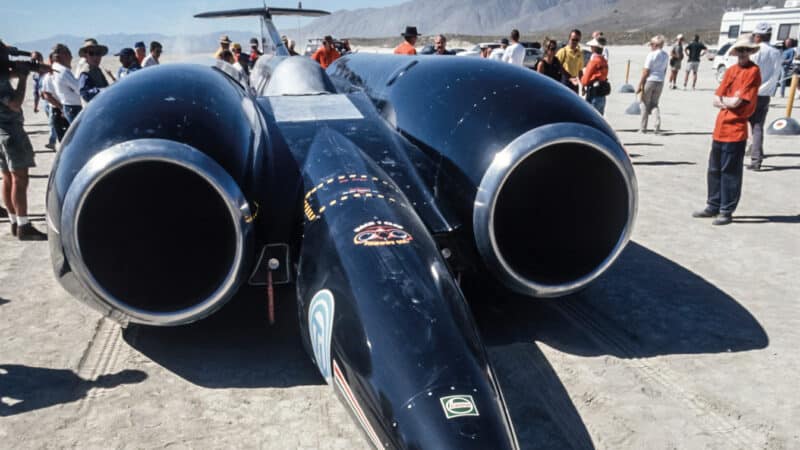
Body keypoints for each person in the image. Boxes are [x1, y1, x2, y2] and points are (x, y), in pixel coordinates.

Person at [692, 36, 761, 226]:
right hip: (720, 128)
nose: (743, 53)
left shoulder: (753, 71)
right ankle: (713, 204)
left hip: (736, 129)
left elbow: (739, 102)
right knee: (714, 169)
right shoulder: (731, 71)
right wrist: (727, 101)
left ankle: (726, 209)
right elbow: (717, 97)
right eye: (740, 50)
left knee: (730, 171)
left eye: (746, 50)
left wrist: (726, 101)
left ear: (751, 52)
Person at [0, 41, 48, 240]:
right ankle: (23, 225)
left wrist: (30, 63)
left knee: (7, 178)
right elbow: (15, 104)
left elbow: (8, 70)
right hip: (10, 131)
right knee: (20, 179)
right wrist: (23, 79)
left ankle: (14, 222)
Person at [747, 24, 783, 171]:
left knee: (749, 126)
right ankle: (757, 153)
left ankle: (755, 158)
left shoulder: (755, 52)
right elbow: (777, 73)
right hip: (765, 94)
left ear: (758, 36)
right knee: (758, 126)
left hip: (752, 92)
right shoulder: (776, 52)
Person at [637, 35, 669, 133]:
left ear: (655, 45)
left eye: (651, 44)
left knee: (644, 103)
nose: (650, 46)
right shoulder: (665, 55)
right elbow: (665, 69)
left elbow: (646, 71)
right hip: (660, 81)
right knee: (654, 104)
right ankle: (657, 124)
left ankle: (643, 127)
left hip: (650, 80)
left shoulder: (651, 55)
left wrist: (640, 83)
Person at [51, 44, 82, 124]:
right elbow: (79, 88)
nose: (71, 57)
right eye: (68, 54)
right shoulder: (62, 71)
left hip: (69, 106)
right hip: (73, 107)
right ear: (62, 55)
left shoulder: (55, 68)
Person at [581, 37, 609, 115]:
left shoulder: (593, 62)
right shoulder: (604, 61)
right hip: (602, 94)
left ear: (594, 48)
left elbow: (585, 80)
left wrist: (582, 81)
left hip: (594, 94)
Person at [77, 39, 109, 104]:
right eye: (91, 54)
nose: (95, 57)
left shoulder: (97, 70)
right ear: (86, 56)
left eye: (98, 54)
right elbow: (85, 93)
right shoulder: (85, 72)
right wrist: (102, 90)